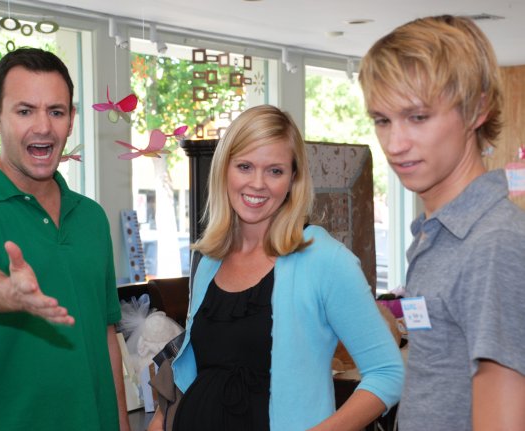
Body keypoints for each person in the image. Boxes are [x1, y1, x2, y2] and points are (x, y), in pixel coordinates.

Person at [148, 105, 404, 431]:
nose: (258, 183)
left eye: (275, 171)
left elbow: (387, 372)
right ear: (224, 169)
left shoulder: (322, 258)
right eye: (245, 166)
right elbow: (192, 376)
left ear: (293, 179)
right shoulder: (209, 258)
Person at [0, 48, 131, 431]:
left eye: (56, 111)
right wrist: (8, 292)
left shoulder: (90, 217)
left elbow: (105, 337)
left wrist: (121, 424)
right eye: (25, 111)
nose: (43, 127)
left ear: (71, 120)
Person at [359, 15, 525, 431]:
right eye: (382, 119)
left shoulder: (492, 242)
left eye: (417, 117)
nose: (394, 144)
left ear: (478, 109)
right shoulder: (435, 234)